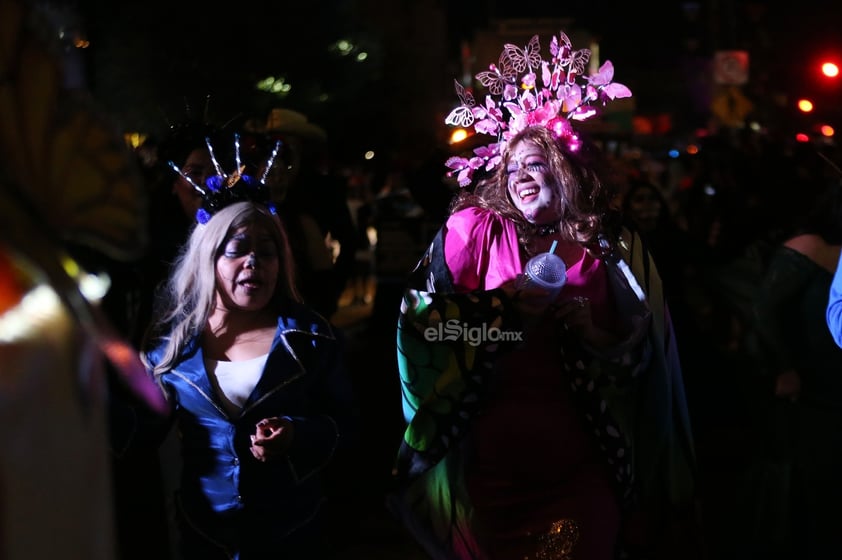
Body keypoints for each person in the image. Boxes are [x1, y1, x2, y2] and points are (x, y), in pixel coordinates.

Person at [388, 31, 698, 560]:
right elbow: (423, 326)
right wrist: (501, 312)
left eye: (534, 164)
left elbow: (647, 360)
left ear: (569, 168)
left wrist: (597, 335)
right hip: (489, 472)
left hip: (584, 464)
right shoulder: (472, 230)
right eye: (511, 169)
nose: (520, 177)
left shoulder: (611, 245)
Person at [115, 140, 358, 559]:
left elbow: (349, 429)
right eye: (238, 250)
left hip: (293, 535)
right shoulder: (172, 345)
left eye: (267, 253)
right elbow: (134, 434)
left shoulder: (311, 337)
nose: (254, 263)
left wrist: (297, 435)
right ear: (209, 259)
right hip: (205, 537)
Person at [752, 173, 842, 558]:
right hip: (811, 380)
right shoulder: (809, 246)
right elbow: (764, 310)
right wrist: (785, 368)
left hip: (831, 378)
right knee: (815, 478)